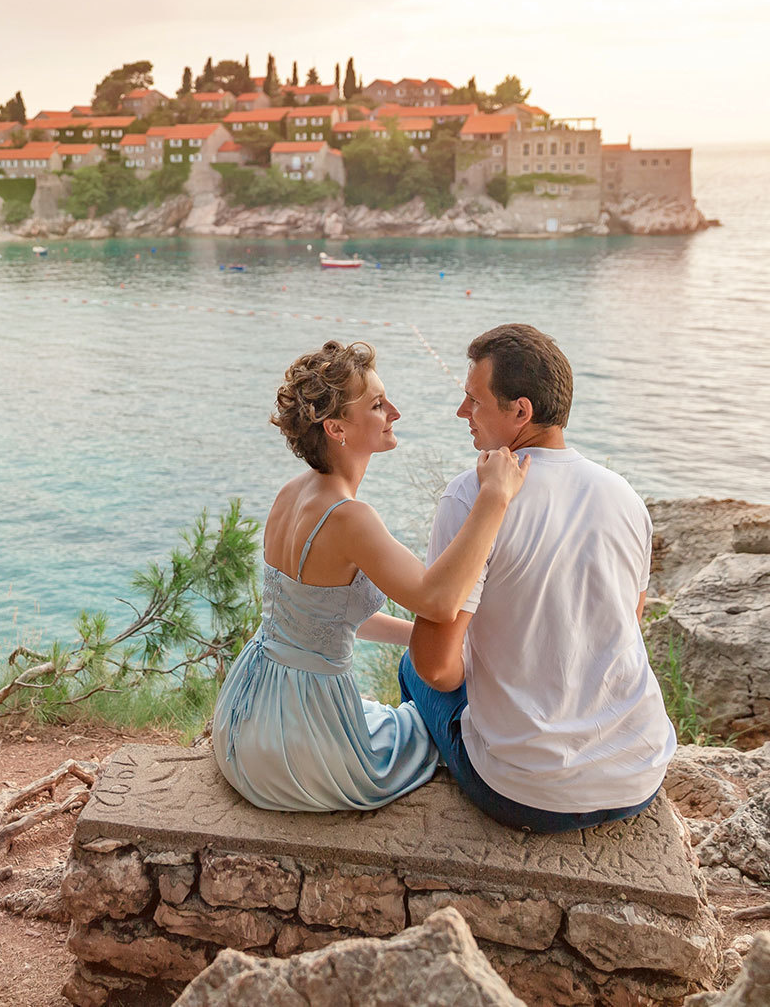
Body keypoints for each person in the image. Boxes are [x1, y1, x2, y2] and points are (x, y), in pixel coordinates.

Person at [212, 339, 528, 812]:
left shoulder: (291, 495)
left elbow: (323, 617)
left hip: (247, 712)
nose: (395, 412)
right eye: (379, 405)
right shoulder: (349, 517)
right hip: (296, 743)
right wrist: (493, 499)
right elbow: (439, 601)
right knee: (423, 730)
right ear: (336, 427)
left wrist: (427, 641)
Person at [401, 323, 676, 833]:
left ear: (520, 411)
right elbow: (626, 628)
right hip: (639, 774)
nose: (462, 413)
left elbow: (439, 669)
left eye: (474, 401)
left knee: (411, 667)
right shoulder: (625, 497)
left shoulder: (470, 497)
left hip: (526, 796)